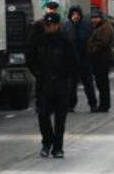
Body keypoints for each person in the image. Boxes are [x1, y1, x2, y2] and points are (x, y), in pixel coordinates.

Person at [28, 11, 78, 158]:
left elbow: (73, 63)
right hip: (44, 86)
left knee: (60, 119)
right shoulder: (38, 41)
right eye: (46, 24)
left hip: (61, 87)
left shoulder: (65, 42)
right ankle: (46, 142)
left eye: (50, 25)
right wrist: (38, 74)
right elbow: (30, 59)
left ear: (57, 25)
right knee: (43, 114)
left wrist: (62, 76)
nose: (47, 27)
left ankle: (58, 148)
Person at [64, 6, 98, 112]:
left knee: (88, 84)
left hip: (85, 60)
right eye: (73, 14)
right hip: (71, 62)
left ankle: (93, 104)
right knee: (71, 86)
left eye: (77, 14)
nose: (76, 16)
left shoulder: (87, 26)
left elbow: (93, 40)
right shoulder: (66, 26)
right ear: (70, 15)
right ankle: (70, 105)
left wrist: (91, 53)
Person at [88, 8, 114, 113]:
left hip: (102, 59)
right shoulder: (100, 27)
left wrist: (91, 49)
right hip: (99, 59)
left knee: (102, 83)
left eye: (96, 18)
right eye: (93, 18)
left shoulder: (105, 27)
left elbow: (103, 43)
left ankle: (104, 105)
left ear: (101, 18)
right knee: (101, 83)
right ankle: (103, 104)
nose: (94, 20)